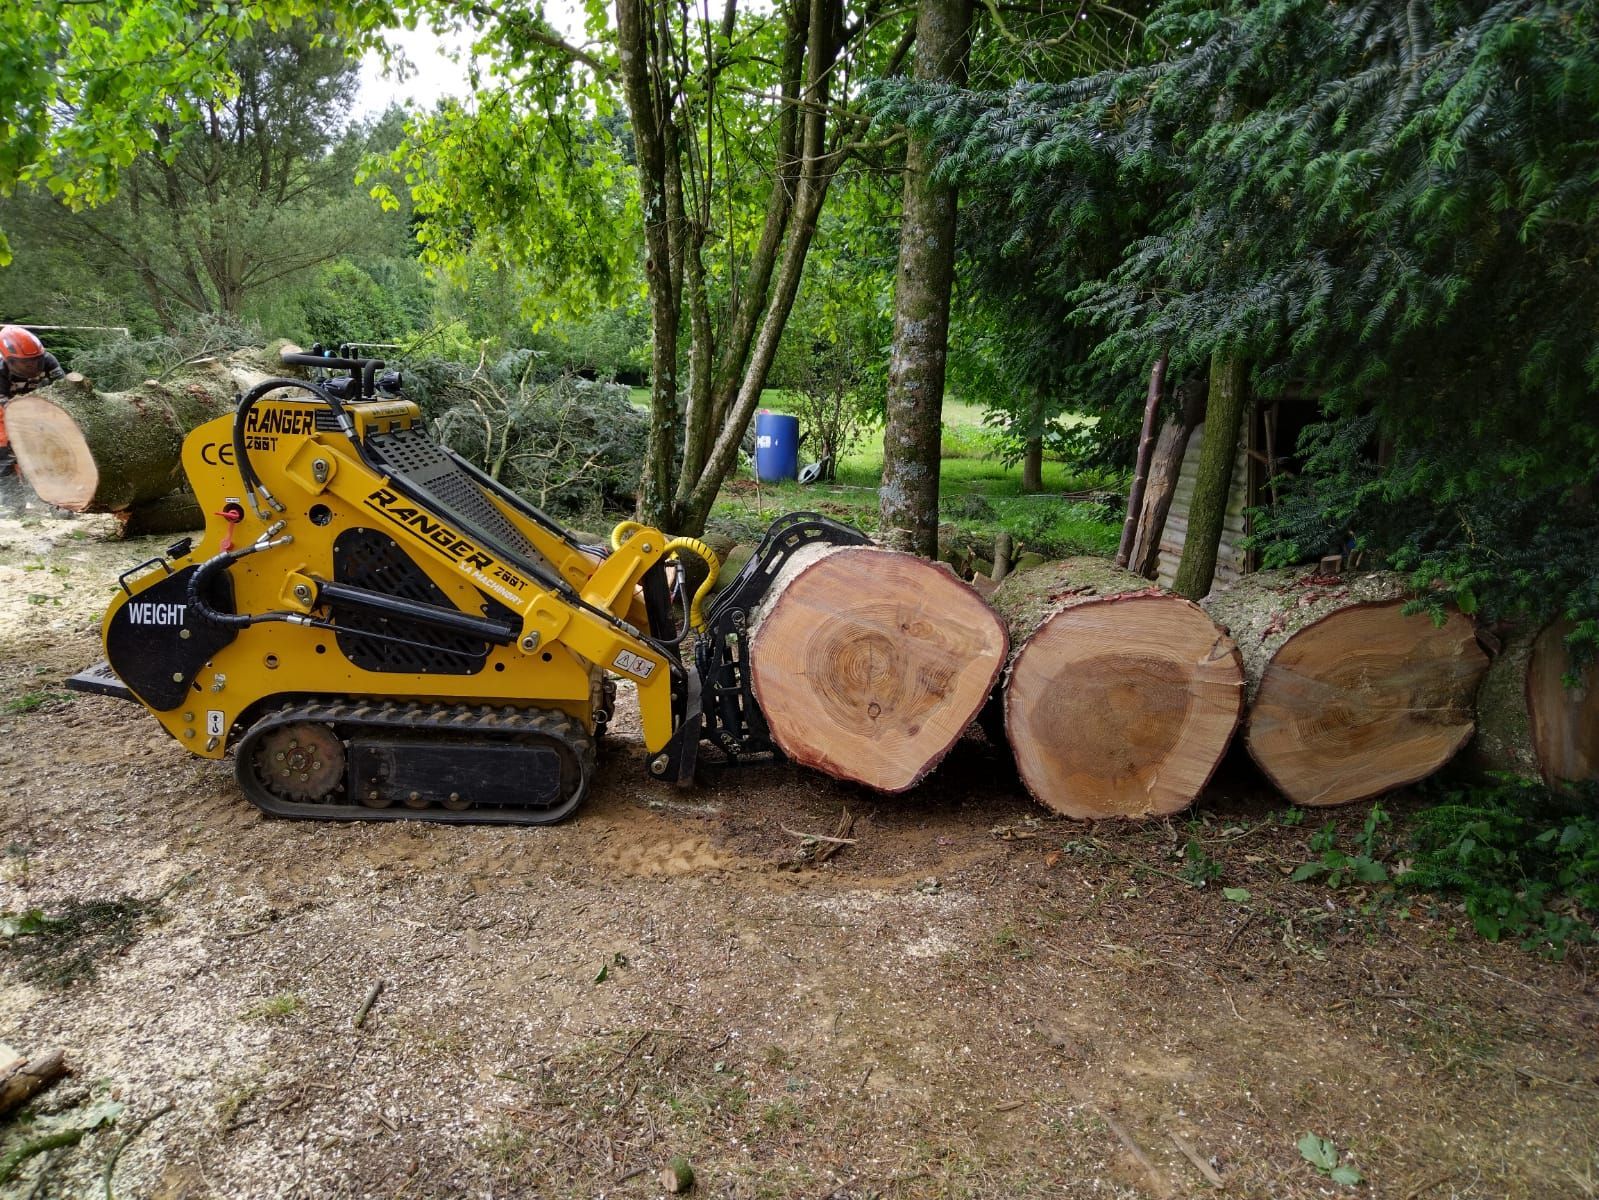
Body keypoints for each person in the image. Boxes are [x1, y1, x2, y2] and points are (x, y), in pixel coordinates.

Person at [0, 325, 65, 507]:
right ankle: (14, 504)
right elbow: (4, 406)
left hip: (33, 405)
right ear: (9, 360)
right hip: (4, 408)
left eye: (35, 361)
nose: (32, 367)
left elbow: (64, 390)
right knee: (5, 452)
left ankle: (54, 500)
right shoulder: (0, 370)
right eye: (25, 364)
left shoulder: (48, 360)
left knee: (45, 451)